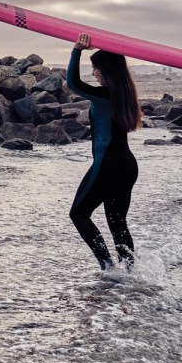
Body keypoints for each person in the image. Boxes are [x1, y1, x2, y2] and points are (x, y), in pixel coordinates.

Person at [67, 33, 143, 270]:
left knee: (79, 214)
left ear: (106, 70)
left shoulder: (103, 95)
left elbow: (73, 83)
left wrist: (76, 50)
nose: (94, 73)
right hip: (127, 166)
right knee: (118, 223)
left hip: (108, 164)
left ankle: (108, 268)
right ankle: (130, 273)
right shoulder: (124, 94)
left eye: (96, 68)